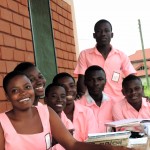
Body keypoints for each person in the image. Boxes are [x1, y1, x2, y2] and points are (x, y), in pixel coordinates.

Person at [0, 71, 133, 150]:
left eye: (27, 87)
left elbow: (72, 144)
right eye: (15, 91)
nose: (24, 93)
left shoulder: (46, 113)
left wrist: (108, 148)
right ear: (7, 96)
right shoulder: (2, 122)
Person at [74, 19, 136, 102]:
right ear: (94, 35)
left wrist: (140, 96)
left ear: (112, 34)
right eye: (99, 31)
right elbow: (81, 80)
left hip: (118, 101)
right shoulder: (85, 54)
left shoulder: (121, 55)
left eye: (106, 31)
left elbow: (132, 78)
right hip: (94, 102)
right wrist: (84, 100)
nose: (103, 34)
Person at [53, 72, 99, 141]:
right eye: (63, 87)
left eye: (71, 86)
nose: (68, 90)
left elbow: (93, 141)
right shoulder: (50, 114)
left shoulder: (87, 112)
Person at [77, 65, 113, 132]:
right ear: (85, 82)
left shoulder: (114, 103)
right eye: (91, 80)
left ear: (105, 81)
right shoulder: (78, 105)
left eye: (100, 79)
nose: (96, 83)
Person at [44, 83, 74, 150]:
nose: (59, 100)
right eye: (54, 96)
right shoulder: (40, 119)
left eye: (63, 96)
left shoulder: (67, 123)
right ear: (45, 100)